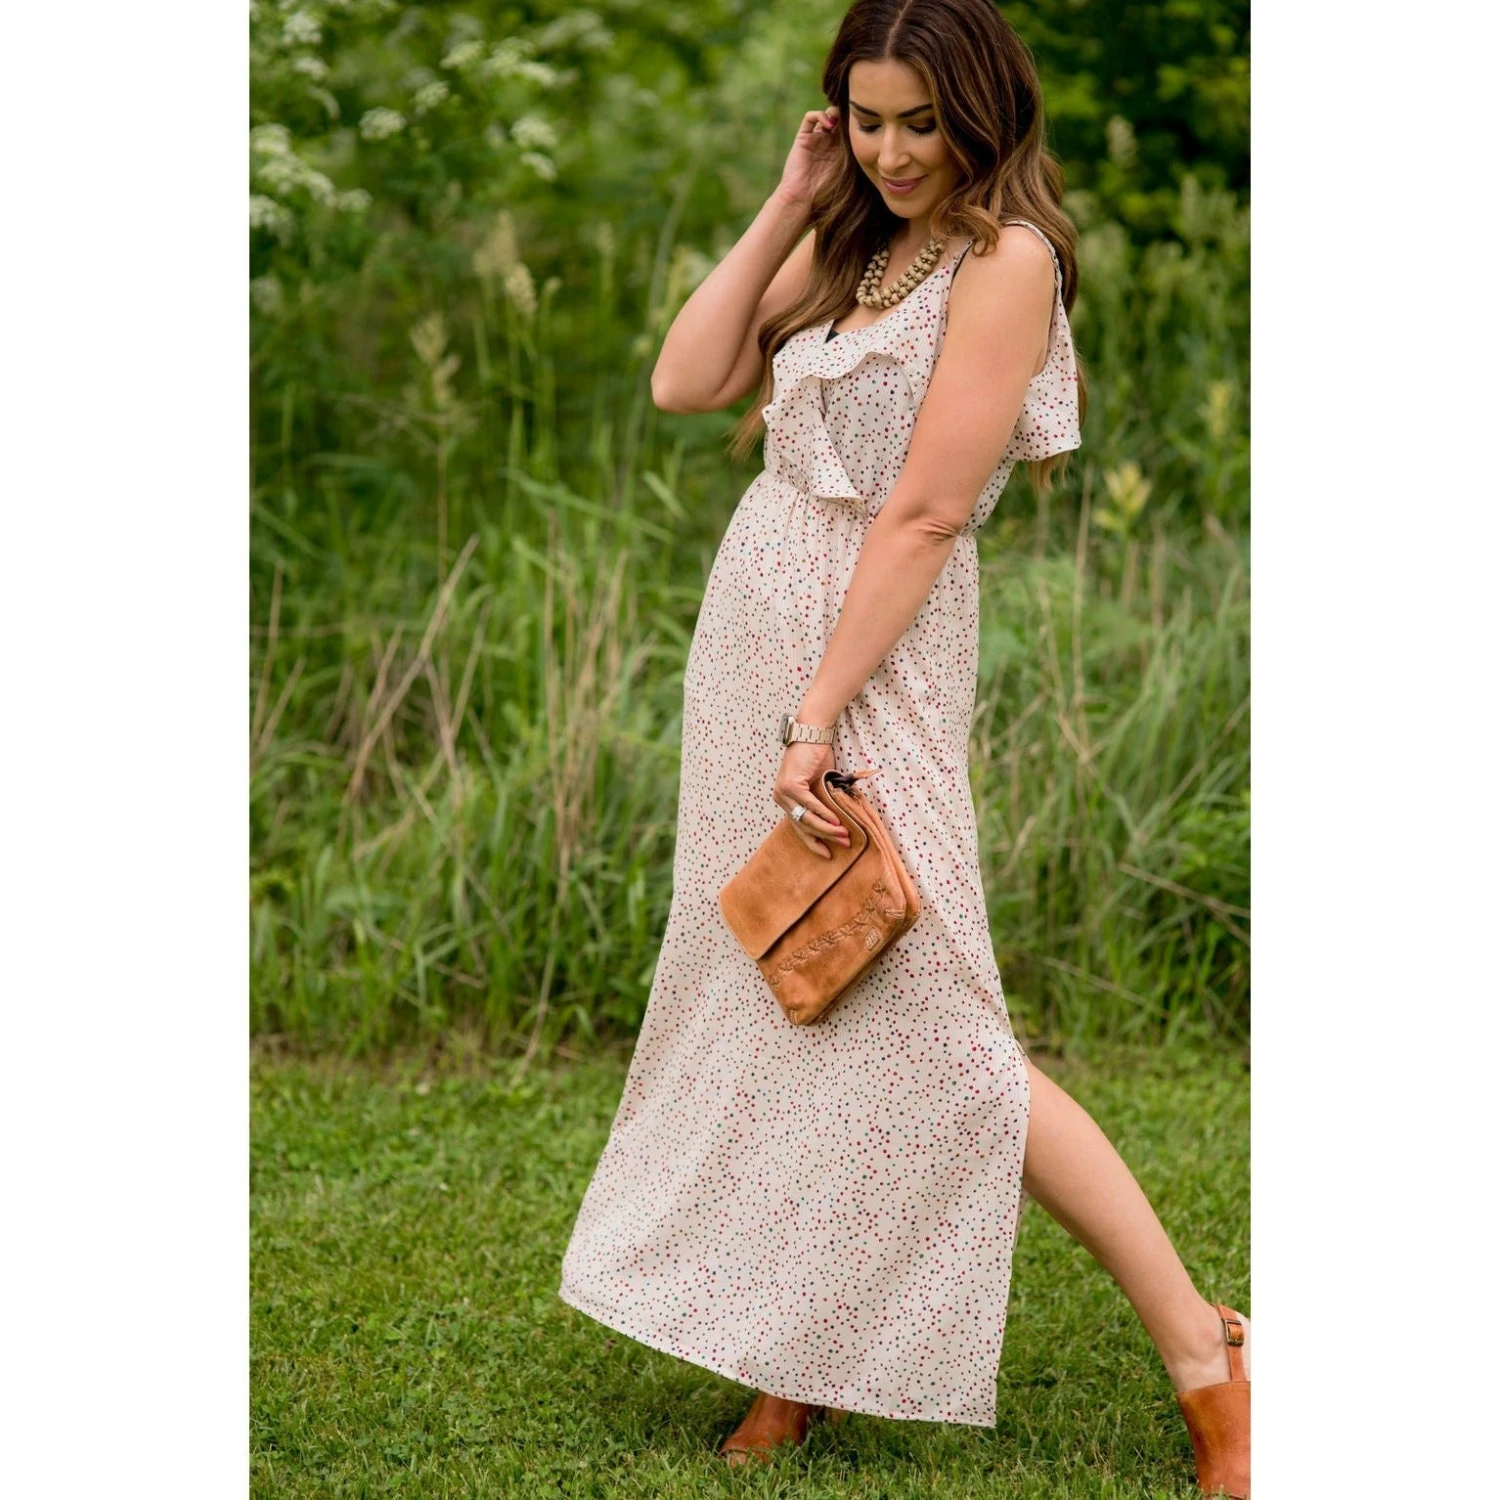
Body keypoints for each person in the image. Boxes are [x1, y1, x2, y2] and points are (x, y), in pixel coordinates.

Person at [557, 2, 1249, 1494]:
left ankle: (1208, 1351)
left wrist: (819, 717)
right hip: (757, 636)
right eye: (868, 120)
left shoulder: (1007, 261)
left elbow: (928, 512)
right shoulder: (857, 240)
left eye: (922, 124)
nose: (894, 150)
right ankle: (798, 1363)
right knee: (790, 989)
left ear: (984, 114)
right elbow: (687, 380)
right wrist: (791, 200)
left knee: (942, 1029)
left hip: (870, 659)